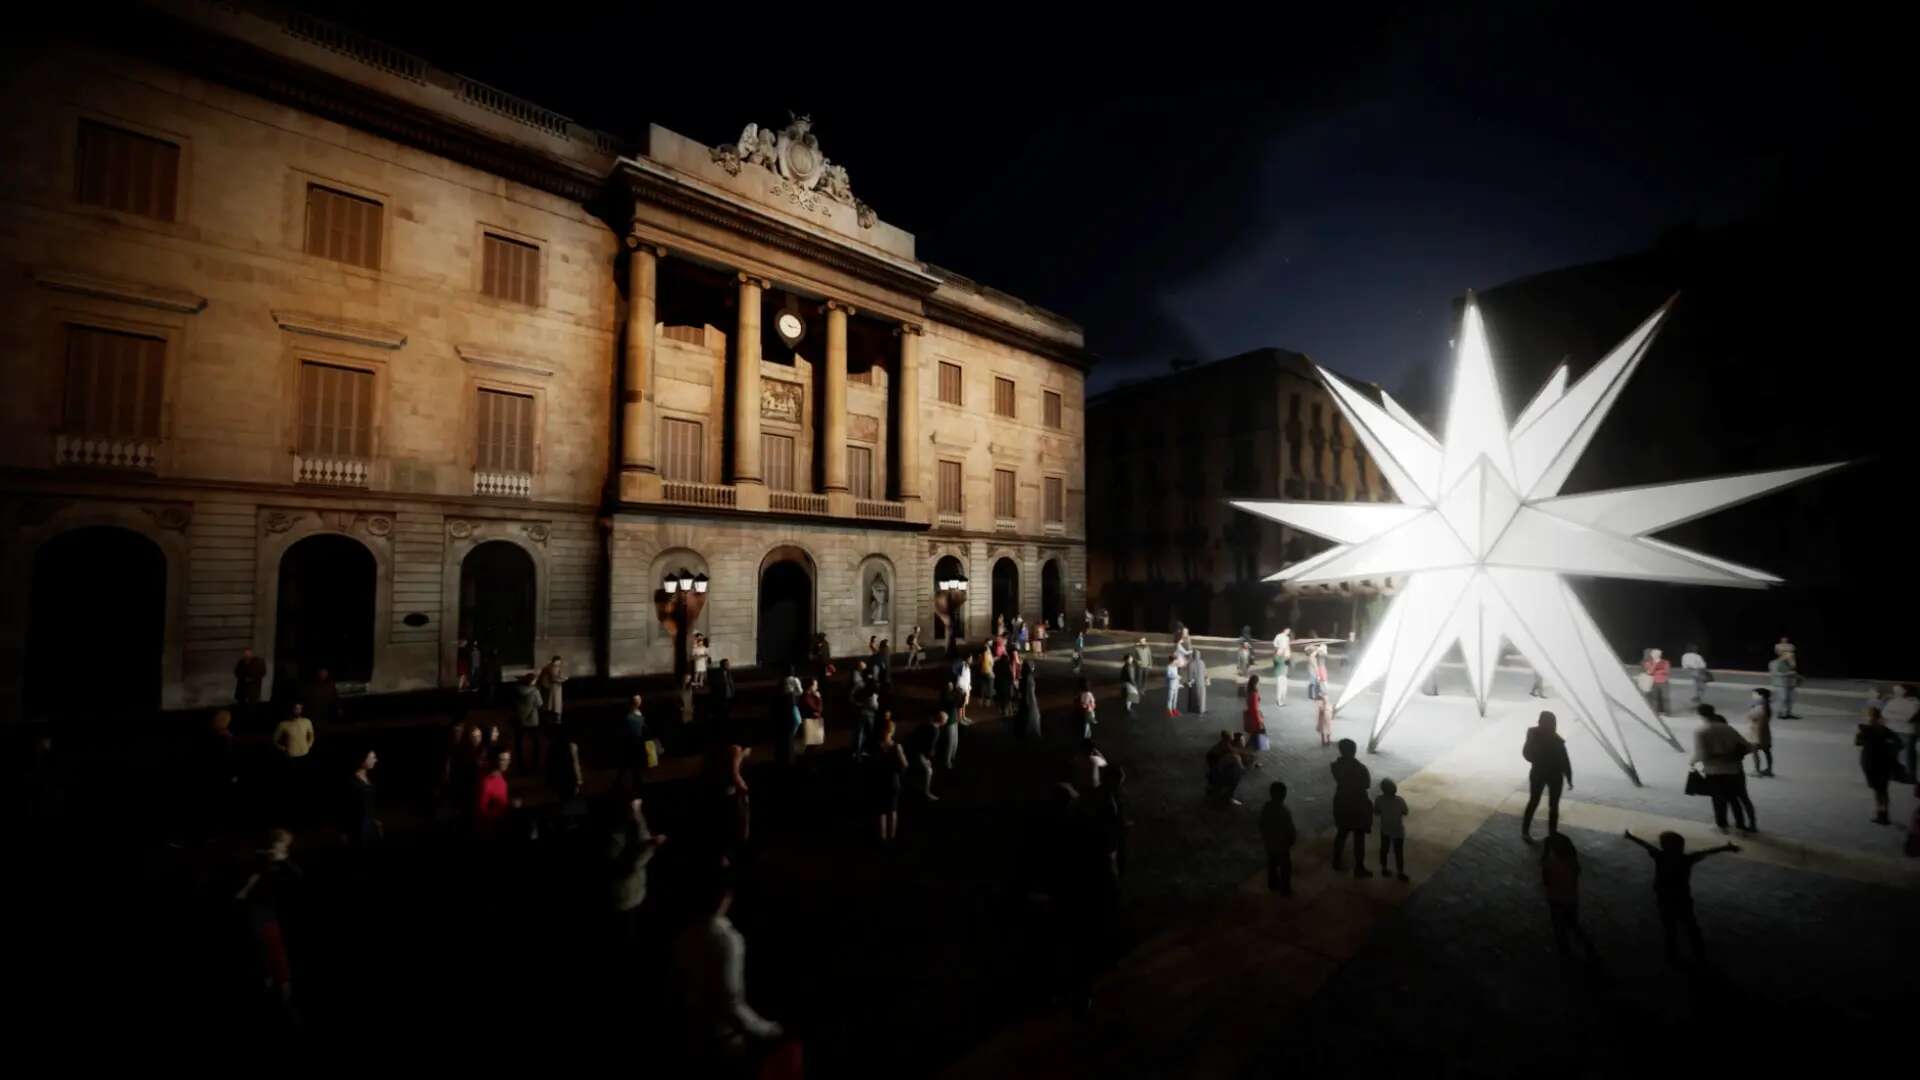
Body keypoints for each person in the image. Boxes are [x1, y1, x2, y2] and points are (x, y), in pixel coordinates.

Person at [675, 872, 783, 1063]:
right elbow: (730, 1002)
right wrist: (768, 1031)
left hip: (687, 1034)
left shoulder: (683, 932)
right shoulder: (726, 941)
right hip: (719, 1038)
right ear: (725, 897)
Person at [1623, 829, 1738, 965]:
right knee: (1690, 925)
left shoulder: (1660, 856)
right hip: (1682, 897)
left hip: (1664, 897)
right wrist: (1726, 847)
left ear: (1664, 846)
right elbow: (1708, 851)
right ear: (1680, 846)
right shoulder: (1686, 859)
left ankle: (1672, 955)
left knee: (1670, 928)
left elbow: (1644, 844)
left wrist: (1631, 837)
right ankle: (1699, 953)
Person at [607, 798, 666, 945]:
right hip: (623, 901)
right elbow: (631, 864)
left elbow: (639, 849)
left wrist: (637, 814)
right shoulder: (613, 839)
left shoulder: (627, 827)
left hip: (633, 896)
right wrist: (650, 846)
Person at [1691, 705, 1756, 833]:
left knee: (1718, 799)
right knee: (1734, 798)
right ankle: (1740, 824)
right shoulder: (1728, 728)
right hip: (1734, 770)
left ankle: (1722, 825)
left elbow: (1702, 754)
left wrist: (1692, 762)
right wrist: (1732, 756)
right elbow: (1748, 747)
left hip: (1714, 771)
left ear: (1700, 715)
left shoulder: (1701, 731)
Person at [1540, 833, 1598, 963]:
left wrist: (1545, 853)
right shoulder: (1572, 862)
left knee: (1558, 926)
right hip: (1571, 898)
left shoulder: (1550, 863)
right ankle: (1586, 945)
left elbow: (1545, 881)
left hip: (1555, 899)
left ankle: (1565, 953)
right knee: (1573, 923)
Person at [1521, 711, 1573, 841]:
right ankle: (1546, 833)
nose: (1552, 726)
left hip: (1549, 774)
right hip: (1545, 773)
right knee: (1539, 802)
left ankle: (1550, 833)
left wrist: (1569, 776)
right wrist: (1568, 776)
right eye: (1550, 723)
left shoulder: (1556, 740)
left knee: (1547, 803)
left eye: (1553, 723)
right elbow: (1526, 752)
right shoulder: (1536, 735)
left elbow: (1564, 759)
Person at [1330, 738, 1373, 877]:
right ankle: (1359, 867)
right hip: (1357, 804)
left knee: (1342, 833)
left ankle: (1336, 861)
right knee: (1359, 837)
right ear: (1354, 751)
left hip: (1342, 801)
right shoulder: (1360, 768)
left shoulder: (1335, 766)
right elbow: (1366, 785)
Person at [1857, 705, 1905, 825]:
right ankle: (1884, 814)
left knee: (1877, 790)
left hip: (1869, 762)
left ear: (1868, 717)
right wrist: (1891, 749)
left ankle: (1880, 814)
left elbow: (1858, 742)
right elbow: (1900, 744)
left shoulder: (1863, 728)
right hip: (1884, 761)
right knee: (1883, 789)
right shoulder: (1884, 729)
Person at [871, 717, 909, 843]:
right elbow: (904, 765)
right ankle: (891, 837)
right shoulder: (896, 747)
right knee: (892, 810)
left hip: (879, 781)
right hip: (893, 781)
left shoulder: (876, 747)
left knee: (881, 811)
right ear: (892, 731)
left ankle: (882, 838)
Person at [1260, 781, 1297, 895]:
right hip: (1282, 844)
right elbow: (1289, 828)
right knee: (1285, 866)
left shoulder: (1267, 807)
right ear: (1284, 795)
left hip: (1270, 842)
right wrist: (1291, 839)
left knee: (1272, 863)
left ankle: (1272, 884)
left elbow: (1261, 823)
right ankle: (1285, 889)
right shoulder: (1284, 811)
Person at [342, 748, 380, 847]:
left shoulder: (368, 778)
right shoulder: (352, 782)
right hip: (358, 828)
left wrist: (375, 821)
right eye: (372, 758)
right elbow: (346, 808)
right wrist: (344, 831)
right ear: (363, 759)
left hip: (371, 826)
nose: (375, 760)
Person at [1882, 684, 1919, 787]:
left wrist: (1894, 716)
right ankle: (1894, 774)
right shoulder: (1894, 701)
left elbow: (1909, 717)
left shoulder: (1915, 703)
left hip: (1907, 732)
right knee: (1892, 754)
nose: (1896, 691)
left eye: (1899, 690)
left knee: (1909, 756)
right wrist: (1900, 716)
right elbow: (1885, 713)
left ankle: (1911, 777)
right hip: (1894, 731)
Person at [1374, 777, 1410, 880]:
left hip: (1385, 829)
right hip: (1398, 830)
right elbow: (1405, 812)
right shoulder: (1400, 800)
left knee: (1384, 850)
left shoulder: (1379, 799)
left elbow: (1376, 812)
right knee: (1399, 852)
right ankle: (1400, 872)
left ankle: (1384, 869)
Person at [474, 748, 512, 839]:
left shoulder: (501, 777)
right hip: (491, 831)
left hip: (501, 826)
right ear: (495, 760)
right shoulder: (487, 782)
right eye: (502, 759)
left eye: (508, 759)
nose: (506, 762)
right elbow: (481, 812)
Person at [511, 673, 543, 774]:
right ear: (531, 681)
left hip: (519, 719)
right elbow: (539, 704)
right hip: (532, 720)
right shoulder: (535, 691)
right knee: (536, 743)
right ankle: (535, 765)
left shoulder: (516, 689)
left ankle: (520, 765)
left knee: (519, 743)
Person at [547, 725, 584, 803]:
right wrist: (579, 781)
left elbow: (549, 766)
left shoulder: (552, 746)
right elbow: (575, 765)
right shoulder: (572, 746)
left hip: (559, 779)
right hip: (569, 779)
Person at [623, 694, 650, 789]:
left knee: (634, 767)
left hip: (633, 746)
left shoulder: (628, 717)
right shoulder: (640, 717)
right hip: (639, 745)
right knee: (638, 768)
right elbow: (645, 732)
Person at [234, 647, 266, 728]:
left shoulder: (258, 662)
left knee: (252, 706)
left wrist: (253, 678)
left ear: (251, 653)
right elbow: (236, 672)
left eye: (248, 653)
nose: (247, 654)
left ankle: (251, 722)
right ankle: (242, 721)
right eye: (245, 653)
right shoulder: (241, 662)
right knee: (242, 705)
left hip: (253, 688)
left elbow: (262, 672)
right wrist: (243, 678)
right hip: (242, 688)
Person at [1746, 688, 1774, 777]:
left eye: (1754, 694)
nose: (1753, 696)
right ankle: (1769, 769)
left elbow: (1750, 717)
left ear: (1761, 696)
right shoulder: (1766, 706)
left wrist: (1751, 709)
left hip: (1757, 732)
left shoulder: (1759, 707)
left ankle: (1757, 770)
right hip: (1765, 731)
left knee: (1755, 752)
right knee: (1767, 752)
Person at [1768, 651, 1801, 719]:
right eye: (1790, 656)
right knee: (1782, 699)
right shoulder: (1774, 663)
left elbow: (1793, 669)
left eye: (1792, 656)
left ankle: (1788, 713)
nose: (1791, 657)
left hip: (1790, 684)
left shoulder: (1788, 663)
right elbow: (1774, 673)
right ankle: (1780, 713)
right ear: (1783, 655)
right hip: (1780, 684)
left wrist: (1792, 662)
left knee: (1790, 699)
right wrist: (1788, 673)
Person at [536, 656, 567, 726]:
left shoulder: (549, 666)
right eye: (559, 661)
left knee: (550, 705)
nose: (560, 663)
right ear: (555, 661)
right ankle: (556, 721)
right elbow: (554, 679)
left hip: (549, 688)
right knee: (555, 705)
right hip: (554, 688)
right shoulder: (553, 667)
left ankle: (550, 720)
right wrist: (564, 679)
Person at [1641, 648, 1671, 717]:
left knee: (1665, 698)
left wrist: (1656, 671)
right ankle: (1656, 712)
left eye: (1656, 654)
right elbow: (1650, 672)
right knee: (1655, 698)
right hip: (1654, 682)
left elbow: (1667, 671)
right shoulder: (1650, 662)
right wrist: (1656, 664)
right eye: (1653, 654)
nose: (1654, 655)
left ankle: (1667, 713)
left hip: (1664, 682)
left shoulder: (1665, 662)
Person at [851, 685, 879, 759]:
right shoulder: (874, 695)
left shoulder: (862, 690)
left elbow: (855, 700)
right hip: (869, 715)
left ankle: (858, 752)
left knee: (860, 733)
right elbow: (875, 706)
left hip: (862, 714)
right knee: (868, 734)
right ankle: (864, 752)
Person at [1243, 674, 1267, 750]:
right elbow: (1254, 708)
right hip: (1254, 716)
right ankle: (1258, 746)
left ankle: (1252, 746)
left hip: (1250, 714)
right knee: (1257, 731)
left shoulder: (1249, 691)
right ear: (1256, 683)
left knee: (1252, 733)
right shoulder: (1254, 693)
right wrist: (1259, 719)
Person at [1020, 663, 1043, 739]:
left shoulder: (1023, 678)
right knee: (1034, 716)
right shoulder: (1029, 678)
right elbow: (1030, 691)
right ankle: (1034, 733)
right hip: (1030, 700)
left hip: (1025, 700)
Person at [1272, 628, 1292, 703]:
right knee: (1280, 686)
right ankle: (1279, 700)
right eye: (1288, 630)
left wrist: (1288, 653)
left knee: (1284, 687)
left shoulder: (1287, 638)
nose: (1288, 632)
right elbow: (1275, 645)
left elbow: (1287, 662)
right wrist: (1281, 651)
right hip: (1280, 673)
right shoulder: (1279, 636)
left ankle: (1282, 699)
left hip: (1284, 672)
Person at [1187, 648, 1209, 715]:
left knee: (1196, 696)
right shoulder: (1202, 662)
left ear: (1193, 655)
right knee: (1202, 696)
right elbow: (1205, 673)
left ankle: (1196, 708)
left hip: (1195, 683)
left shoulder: (1191, 664)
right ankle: (1202, 709)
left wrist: (1190, 681)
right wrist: (1207, 679)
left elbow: (1190, 676)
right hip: (1202, 682)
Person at [1121, 652, 1142, 717]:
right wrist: (1135, 685)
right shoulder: (1129, 666)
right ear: (1127, 659)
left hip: (1126, 682)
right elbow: (1131, 677)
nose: (1132, 658)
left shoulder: (1127, 665)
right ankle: (1128, 708)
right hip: (1129, 683)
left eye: (1131, 657)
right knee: (1132, 695)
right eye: (1130, 658)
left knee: (1130, 695)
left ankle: (1127, 706)